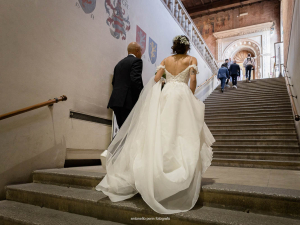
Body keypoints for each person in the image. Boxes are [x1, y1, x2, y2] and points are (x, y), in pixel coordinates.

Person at [96, 35, 215, 214]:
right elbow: (193, 81)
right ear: (187, 47)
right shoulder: (191, 59)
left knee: (162, 129)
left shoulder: (166, 60)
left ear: (174, 47)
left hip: (166, 94)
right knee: (181, 131)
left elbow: (157, 78)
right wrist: (190, 94)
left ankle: (155, 167)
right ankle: (176, 167)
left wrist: (166, 83)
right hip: (182, 95)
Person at [107, 42, 144, 128]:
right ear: (137, 51)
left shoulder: (118, 64)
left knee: (122, 130)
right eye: (141, 51)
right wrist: (142, 95)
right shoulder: (137, 61)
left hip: (116, 101)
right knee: (129, 131)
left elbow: (114, 82)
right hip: (128, 102)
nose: (142, 54)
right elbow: (135, 80)